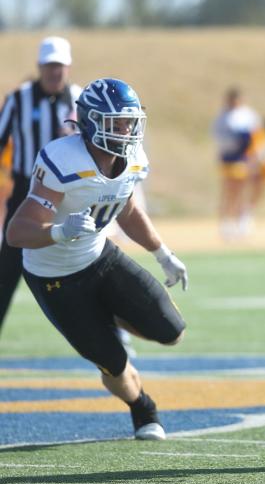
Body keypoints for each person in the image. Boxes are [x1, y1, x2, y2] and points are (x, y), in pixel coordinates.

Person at [6, 78, 188, 440]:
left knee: (171, 331)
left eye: (129, 122)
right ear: (91, 122)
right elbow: (17, 232)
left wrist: (161, 252)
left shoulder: (133, 158)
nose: (126, 130)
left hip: (99, 258)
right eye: (116, 123)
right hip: (54, 278)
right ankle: (143, 408)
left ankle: (110, 316)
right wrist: (57, 231)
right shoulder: (64, 160)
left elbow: (128, 209)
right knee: (116, 365)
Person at [0, 37, 81, 335]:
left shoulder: (78, 98)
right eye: (49, 65)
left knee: (86, 260)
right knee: (8, 264)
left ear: (68, 66)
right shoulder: (18, 99)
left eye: (59, 65)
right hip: (25, 191)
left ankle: (112, 333)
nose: (54, 72)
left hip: (69, 193)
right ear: (39, 66)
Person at [212, 87, 265, 240]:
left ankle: (245, 216)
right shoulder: (223, 119)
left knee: (257, 184)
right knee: (233, 189)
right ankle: (227, 221)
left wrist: (263, 155)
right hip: (232, 159)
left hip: (251, 158)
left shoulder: (249, 115)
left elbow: (259, 137)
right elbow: (223, 142)